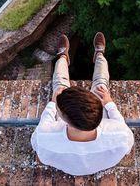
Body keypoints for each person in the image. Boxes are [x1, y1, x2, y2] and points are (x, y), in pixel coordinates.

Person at [30, 32, 134, 176]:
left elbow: (37, 141)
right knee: (101, 85)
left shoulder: (45, 136)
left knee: (59, 85)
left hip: (69, 160)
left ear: (63, 119)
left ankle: (62, 57)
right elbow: (123, 131)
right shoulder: (120, 134)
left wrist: (53, 103)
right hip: (97, 154)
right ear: (99, 113)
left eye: (60, 110)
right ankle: (99, 55)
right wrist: (109, 103)